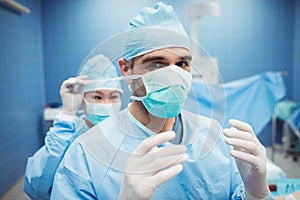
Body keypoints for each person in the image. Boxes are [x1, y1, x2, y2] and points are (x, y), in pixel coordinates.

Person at [51, 2, 271, 199]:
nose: (174, 74)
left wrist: (255, 194)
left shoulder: (212, 137)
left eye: (182, 64)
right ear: (126, 70)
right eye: (156, 64)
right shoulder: (87, 153)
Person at [24, 54, 123, 199]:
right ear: (83, 100)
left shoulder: (125, 135)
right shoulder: (68, 135)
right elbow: (36, 186)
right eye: (97, 97)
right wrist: (67, 114)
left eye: (113, 97)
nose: (106, 104)